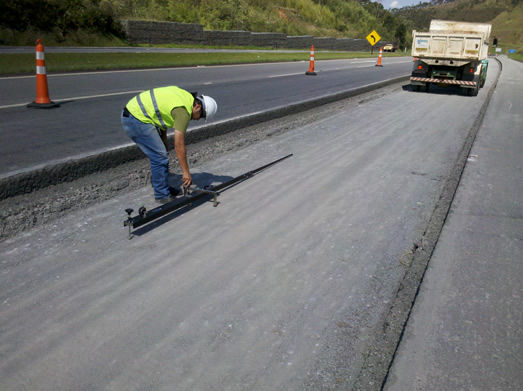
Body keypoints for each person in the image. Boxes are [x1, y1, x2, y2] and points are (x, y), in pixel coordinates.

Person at [121, 86, 217, 203]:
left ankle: (163, 187)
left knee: (162, 154)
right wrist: (186, 172)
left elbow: (162, 116)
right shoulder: (184, 112)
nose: (198, 119)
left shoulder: (185, 98)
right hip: (136, 118)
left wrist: (164, 146)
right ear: (198, 106)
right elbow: (179, 146)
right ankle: (161, 195)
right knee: (159, 156)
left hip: (139, 114)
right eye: (201, 116)